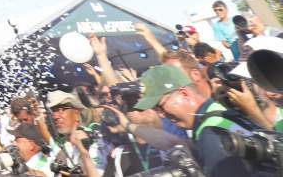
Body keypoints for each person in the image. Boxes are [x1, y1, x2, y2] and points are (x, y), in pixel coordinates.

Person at [134, 64, 276, 176]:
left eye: (160, 106)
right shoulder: (219, 111)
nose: (161, 115)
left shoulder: (211, 134)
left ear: (184, 93)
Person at [46, 90, 105, 177]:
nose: (55, 116)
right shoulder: (61, 153)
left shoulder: (95, 139)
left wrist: (83, 151)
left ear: (76, 114)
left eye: (61, 110)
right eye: (53, 111)